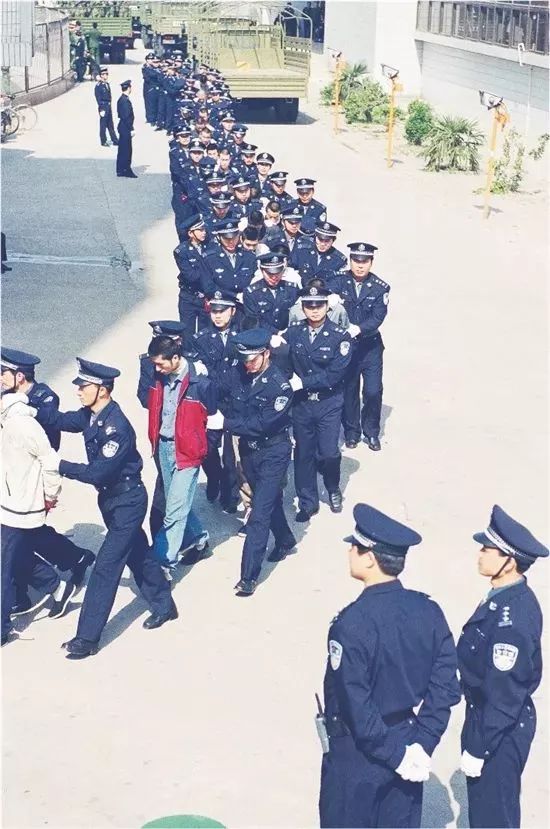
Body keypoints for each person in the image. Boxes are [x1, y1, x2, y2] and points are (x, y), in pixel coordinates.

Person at [319, 503, 461, 828]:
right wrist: (422, 744)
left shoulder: (351, 624)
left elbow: (356, 704)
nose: (350, 552)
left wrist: (396, 755)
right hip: (409, 739)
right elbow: (445, 688)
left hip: (358, 756)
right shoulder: (429, 611)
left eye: (355, 547)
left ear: (370, 558)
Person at [52, 359, 177, 659]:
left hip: (128, 502)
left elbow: (98, 473)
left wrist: (60, 466)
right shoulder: (92, 415)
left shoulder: (116, 427)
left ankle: (86, 638)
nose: (78, 391)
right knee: (138, 554)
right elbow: (61, 421)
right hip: (111, 501)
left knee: (106, 566)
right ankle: (164, 605)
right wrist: (28, 402)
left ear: (103, 390)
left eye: (84, 386)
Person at [458, 505, 548, 829]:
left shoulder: (514, 616)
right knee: (485, 814)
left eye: (487, 549)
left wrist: (479, 746)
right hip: (487, 718)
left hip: (499, 730)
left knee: (494, 818)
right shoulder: (501, 597)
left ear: (509, 561)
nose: (480, 554)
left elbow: (506, 691)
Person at [0, 348, 95, 616]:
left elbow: (46, 448)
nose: (0, 378)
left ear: (19, 376)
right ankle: (69, 562)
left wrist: (48, 492)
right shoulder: (9, 399)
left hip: (34, 479)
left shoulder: (43, 398)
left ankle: (60, 570)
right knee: (23, 537)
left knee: (21, 538)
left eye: (3, 373)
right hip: (13, 479)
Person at [218, 328, 296, 595]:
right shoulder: (240, 373)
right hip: (249, 452)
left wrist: (225, 423)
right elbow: (220, 389)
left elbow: (262, 424)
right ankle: (285, 539)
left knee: (259, 513)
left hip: (273, 451)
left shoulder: (279, 386)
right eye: (244, 360)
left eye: (252, 360)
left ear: (266, 354)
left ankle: (248, 577)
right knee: (269, 501)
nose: (248, 365)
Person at [147, 335, 217, 569]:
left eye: (160, 364)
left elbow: (214, 419)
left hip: (188, 453)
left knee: (173, 512)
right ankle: (198, 538)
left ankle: (162, 563)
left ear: (176, 358)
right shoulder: (159, 377)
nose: (157, 369)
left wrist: (200, 447)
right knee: (176, 504)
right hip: (164, 448)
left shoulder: (200, 383)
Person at [1, 393, 65, 646]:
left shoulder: (23, 424)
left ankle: (2, 629)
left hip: (17, 507)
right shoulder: (6, 421)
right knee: (15, 558)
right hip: (7, 503)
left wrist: (50, 495)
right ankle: (54, 584)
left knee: (3, 567)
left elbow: (50, 461)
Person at [287, 284, 352, 521]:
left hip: (328, 403)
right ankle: (307, 502)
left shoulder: (340, 336)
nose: (314, 310)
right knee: (303, 452)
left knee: (329, 453)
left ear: (327, 307)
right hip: (302, 404)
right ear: (303, 308)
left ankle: (333, 487)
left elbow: (334, 374)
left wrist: (302, 382)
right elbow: (280, 355)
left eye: (319, 305)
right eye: (309, 306)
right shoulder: (293, 332)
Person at [328, 243, 389, 451]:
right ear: (350, 261)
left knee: (373, 391)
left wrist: (359, 328)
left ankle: (371, 432)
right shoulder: (338, 282)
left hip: (370, 347)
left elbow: (378, 316)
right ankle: (352, 432)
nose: (360, 265)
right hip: (346, 347)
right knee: (349, 390)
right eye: (356, 261)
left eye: (365, 261)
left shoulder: (380, 287)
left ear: (371, 263)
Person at [193, 290, 241, 513]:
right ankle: (214, 478)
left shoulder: (241, 338)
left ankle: (230, 496)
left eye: (222, 311)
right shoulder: (201, 339)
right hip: (210, 404)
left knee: (231, 456)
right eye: (214, 311)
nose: (218, 316)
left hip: (234, 403)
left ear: (232, 311)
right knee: (206, 450)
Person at [116, 80, 137, 178]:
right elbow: (126, 117)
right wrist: (131, 129)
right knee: (127, 150)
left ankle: (120, 169)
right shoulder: (125, 101)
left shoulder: (121, 99)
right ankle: (126, 170)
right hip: (125, 128)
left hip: (123, 127)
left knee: (122, 149)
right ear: (129, 88)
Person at [94, 67, 118, 148]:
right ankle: (103, 140)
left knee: (110, 124)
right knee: (103, 125)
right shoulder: (98, 86)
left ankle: (115, 140)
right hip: (103, 107)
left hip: (108, 105)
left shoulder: (107, 84)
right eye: (104, 74)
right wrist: (101, 109)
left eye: (107, 74)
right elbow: (98, 98)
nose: (106, 76)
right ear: (101, 75)